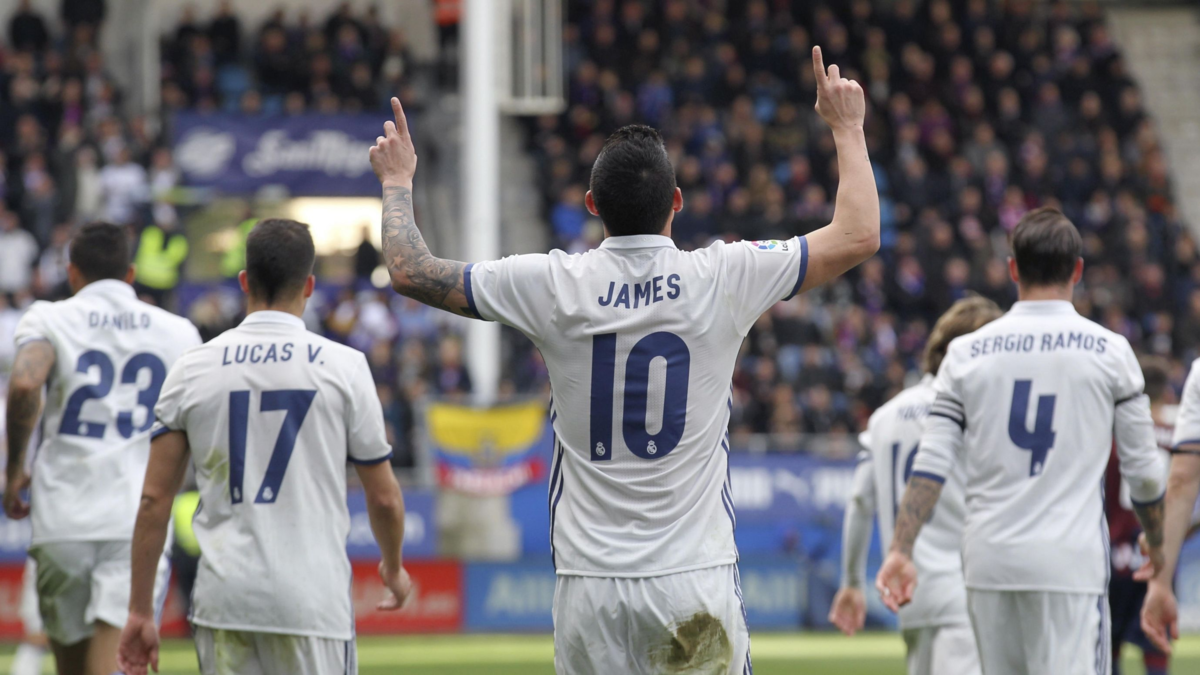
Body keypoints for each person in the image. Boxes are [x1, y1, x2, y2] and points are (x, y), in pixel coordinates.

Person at [368, 46, 879, 673]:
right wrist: (847, 127)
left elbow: (409, 270)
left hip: (591, 590)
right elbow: (858, 234)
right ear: (677, 201)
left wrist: (397, 182)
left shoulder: (553, 284)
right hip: (693, 579)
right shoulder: (723, 276)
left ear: (592, 204)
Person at [877, 207, 1169, 675]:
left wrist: (900, 549)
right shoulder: (1110, 352)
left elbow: (931, 464)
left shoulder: (965, 353)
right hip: (1068, 565)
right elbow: (1145, 474)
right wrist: (1157, 544)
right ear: (1077, 270)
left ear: (1013, 269)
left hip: (989, 562)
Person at [116, 219, 413, 675]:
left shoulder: (193, 367)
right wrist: (392, 567)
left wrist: (139, 610)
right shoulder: (345, 367)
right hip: (312, 602)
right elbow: (386, 498)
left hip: (224, 600)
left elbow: (154, 500)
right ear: (309, 286)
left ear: (244, 281)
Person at [3, 222, 202, 675]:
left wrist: (15, 470)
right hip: (135, 519)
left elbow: (26, 382)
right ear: (130, 274)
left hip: (62, 516)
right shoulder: (179, 331)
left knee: (72, 667)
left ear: (72, 273)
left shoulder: (48, 317)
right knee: (111, 666)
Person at [831, 296, 1001, 675]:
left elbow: (859, 501)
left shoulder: (884, 416)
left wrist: (852, 581)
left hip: (910, 596)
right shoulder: (977, 409)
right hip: (965, 590)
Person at [1106, 358, 1173, 675]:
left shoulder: (1113, 437)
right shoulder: (1179, 438)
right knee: (1157, 646)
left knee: (1108, 647)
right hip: (1159, 556)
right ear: (1168, 394)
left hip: (1116, 553)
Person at [1141, 358, 1200, 654]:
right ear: (1166, 393)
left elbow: (1182, 481)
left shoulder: (1117, 434)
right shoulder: (1168, 430)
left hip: (1126, 550)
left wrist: (1160, 579)